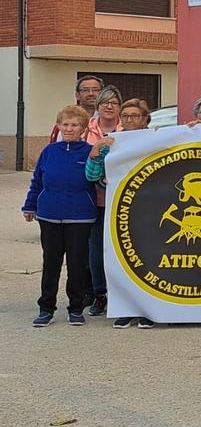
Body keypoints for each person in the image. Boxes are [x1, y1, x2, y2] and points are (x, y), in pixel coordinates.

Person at [86, 99, 156, 329]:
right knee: (120, 258)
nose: (129, 120)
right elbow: (92, 175)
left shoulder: (157, 140)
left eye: (135, 116)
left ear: (145, 119)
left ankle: (147, 310)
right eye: (125, 116)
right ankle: (125, 308)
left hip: (148, 210)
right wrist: (96, 156)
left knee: (147, 259)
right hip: (118, 210)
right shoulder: (112, 143)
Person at [24, 106, 97, 327]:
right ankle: (46, 307)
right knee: (51, 264)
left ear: (84, 129)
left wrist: (97, 157)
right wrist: (30, 205)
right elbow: (37, 180)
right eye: (65, 124)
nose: (69, 128)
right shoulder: (49, 151)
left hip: (80, 216)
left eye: (74, 125)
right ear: (59, 126)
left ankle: (76, 308)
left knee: (77, 265)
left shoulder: (90, 151)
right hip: (49, 215)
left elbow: (98, 178)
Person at [81, 85, 123, 316]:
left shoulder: (129, 129)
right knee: (95, 249)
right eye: (105, 102)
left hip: (122, 202)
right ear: (97, 107)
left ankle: (121, 295)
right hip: (93, 200)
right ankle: (98, 293)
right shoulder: (84, 130)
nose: (109, 106)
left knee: (119, 248)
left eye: (114, 103)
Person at [49, 75, 104, 142]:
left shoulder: (109, 119)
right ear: (77, 95)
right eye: (85, 90)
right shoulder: (66, 120)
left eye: (95, 90)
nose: (91, 93)